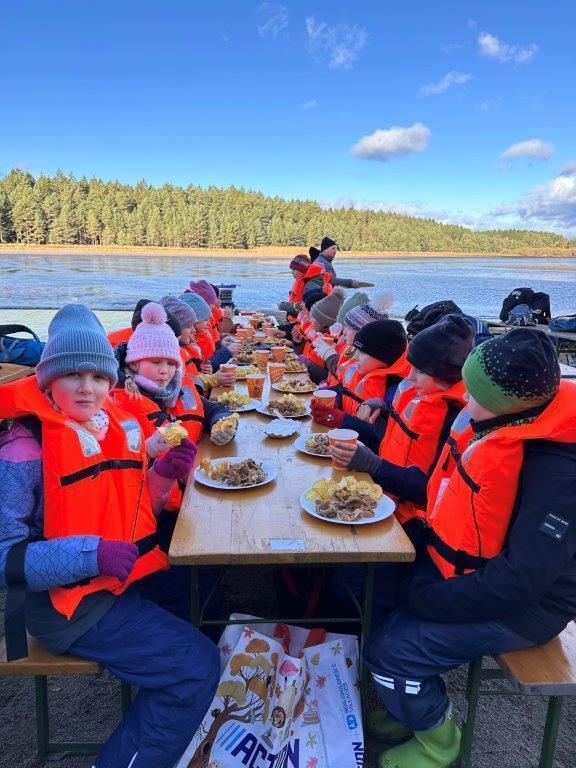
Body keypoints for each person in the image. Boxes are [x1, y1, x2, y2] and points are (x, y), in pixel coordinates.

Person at [0, 304, 219, 768]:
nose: (87, 387)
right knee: (197, 666)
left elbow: (130, 509)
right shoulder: (24, 448)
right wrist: (90, 556)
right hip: (69, 606)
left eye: (98, 377)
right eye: (72, 374)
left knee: (199, 601)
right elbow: (5, 557)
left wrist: (160, 475)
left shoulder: (109, 426)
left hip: (121, 581)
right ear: (46, 380)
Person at [362, 329, 576, 768]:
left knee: (390, 650)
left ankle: (437, 740)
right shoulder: (506, 421)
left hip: (532, 605)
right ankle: (408, 707)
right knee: (383, 604)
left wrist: (435, 597)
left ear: (509, 402)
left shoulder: (559, 474)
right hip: (481, 573)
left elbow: (522, 580)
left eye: (473, 391)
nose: (464, 399)